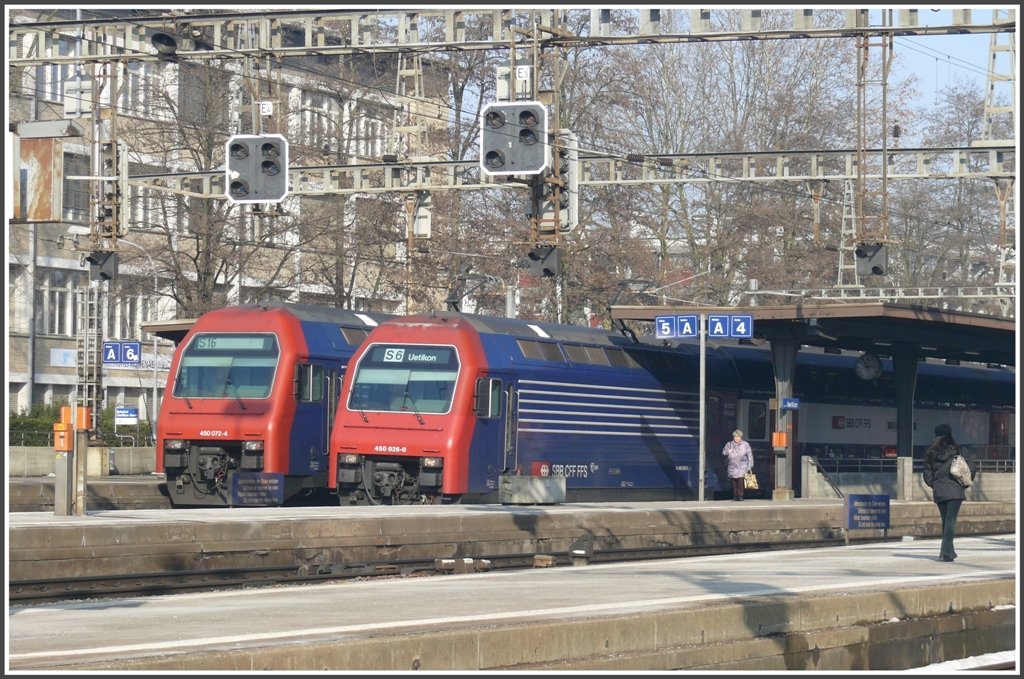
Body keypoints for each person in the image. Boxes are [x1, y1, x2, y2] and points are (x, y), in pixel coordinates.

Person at [922, 423, 977, 562]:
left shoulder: (931, 452)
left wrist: (935, 485)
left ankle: (949, 552)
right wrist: (963, 484)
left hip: (940, 491)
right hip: (955, 490)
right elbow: (972, 468)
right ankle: (945, 552)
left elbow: (926, 473)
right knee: (950, 522)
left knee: (945, 521)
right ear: (950, 434)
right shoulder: (959, 450)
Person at [722, 429, 754, 501]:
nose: (737, 438)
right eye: (735, 437)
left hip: (742, 466)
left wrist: (750, 465)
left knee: (740, 481)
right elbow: (723, 452)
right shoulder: (729, 444)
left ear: (741, 437)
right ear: (733, 437)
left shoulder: (745, 444)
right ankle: (735, 496)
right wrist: (727, 452)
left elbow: (750, 455)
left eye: (738, 437)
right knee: (734, 482)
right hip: (732, 466)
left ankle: (740, 496)